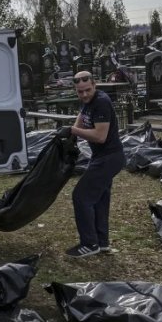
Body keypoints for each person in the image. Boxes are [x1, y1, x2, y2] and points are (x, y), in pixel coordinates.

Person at [65, 71, 125, 258]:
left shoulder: (101, 102)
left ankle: (89, 244)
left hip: (109, 158)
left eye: (87, 90)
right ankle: (102, 242)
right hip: (100, 157)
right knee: (99, 199)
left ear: (95, 85)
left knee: (81, 197)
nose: (84, 95)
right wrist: (72, 135)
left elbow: (100, 136)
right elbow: (82, 118)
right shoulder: (88, 102)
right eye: (80, 92)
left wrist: (73, 130)